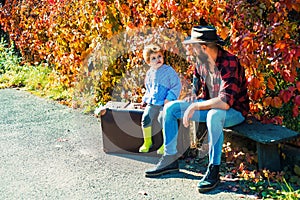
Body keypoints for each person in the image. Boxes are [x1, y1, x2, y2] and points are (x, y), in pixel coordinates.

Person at [145, 26, 250, 193]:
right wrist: (191, 98)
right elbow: (197, 88)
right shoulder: (201, 61)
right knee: (171, 108)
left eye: (194, 46)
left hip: (234, 111)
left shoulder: (230, 62)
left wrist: (195, 106)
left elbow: (225, 102)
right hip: (208, 106)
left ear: (203, 47)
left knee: (214, 116)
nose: (191, 49)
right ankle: (170, 159)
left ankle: (213, 171)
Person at [139, 44, 182, 155]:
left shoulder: (169, 71)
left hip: (165, 102)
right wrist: (145, 99)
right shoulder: (149, 73)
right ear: (148, 62)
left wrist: (169, 98)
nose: (158, 59)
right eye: (153, 58)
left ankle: (165, 144)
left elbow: (176, 85)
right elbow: (149, 88)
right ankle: (147, 142)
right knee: (146, 118)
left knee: (163, 119)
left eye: (159, 56)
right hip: (153, 102)